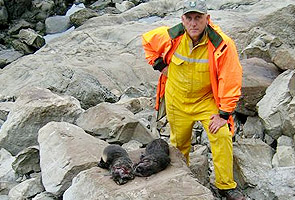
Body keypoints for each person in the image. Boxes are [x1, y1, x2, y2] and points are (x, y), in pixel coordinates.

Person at [142, 0, 245, 200]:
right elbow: (147, 42)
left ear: (207, 19)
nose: (193, 23)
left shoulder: (222, 44)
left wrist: (224, 113)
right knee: (179, 145)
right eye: (188, 18)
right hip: (176, 100)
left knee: (222, 135)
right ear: (182, 20)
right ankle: (182, 180)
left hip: (206, 101)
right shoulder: (171, 36)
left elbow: (230, 78)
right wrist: (160, 65)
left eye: (198, 18)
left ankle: (226, 186)